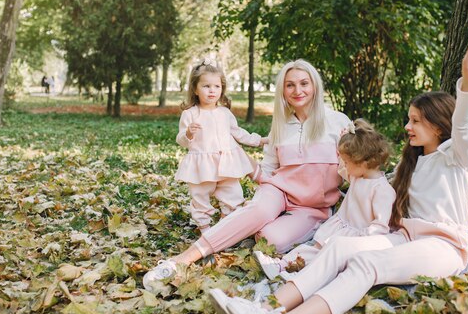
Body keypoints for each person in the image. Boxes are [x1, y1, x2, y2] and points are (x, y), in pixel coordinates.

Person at [209, 33, 468, 314]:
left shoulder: (456, 156)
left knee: (365, 265)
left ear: (438, 125)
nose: (408, 127)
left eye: (416, 121)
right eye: (409, 119)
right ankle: (264, 309)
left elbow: (464, 124)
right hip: (404, 238)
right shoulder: (413, 162)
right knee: (339, 248)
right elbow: (372, 181)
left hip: (442, 248)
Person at [143, 59, 351, 289]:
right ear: (283, 90)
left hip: (312, 207)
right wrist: (257, 181)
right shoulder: (281, 125)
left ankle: (288, 224)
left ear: (315, 86)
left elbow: (354, 171)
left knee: (268, 240)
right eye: (290, 85)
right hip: (279, 191)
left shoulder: (338, 122)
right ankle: (179, 261)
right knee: (256, 211)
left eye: (304, 83)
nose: (297, 90)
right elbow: (271, 169)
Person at [254, 118, 395, 280]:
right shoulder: (358, 176)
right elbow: (342, 169)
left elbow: (380, 227)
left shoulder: (382, 190)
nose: (345, 165)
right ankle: (282, 264)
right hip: (341, 226)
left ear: (364, 162)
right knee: (313, 249)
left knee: (323, 258)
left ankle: (299, 275)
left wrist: (359, 240)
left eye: (348, 162)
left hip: (355, 236)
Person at [174, 61, 267, 234]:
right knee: (200, 196)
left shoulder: (224, 113)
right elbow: (182, 140)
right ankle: (205, 228)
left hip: (227, 163)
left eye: (217, 86)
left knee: (233, 194)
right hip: (202, 165)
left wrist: (259, 140)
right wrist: (188, 133)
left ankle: (225, 225)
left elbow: (238, 132)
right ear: (195, 89)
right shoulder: (190, 114)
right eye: (206, 86)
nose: (212, 90)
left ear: (222, 89)